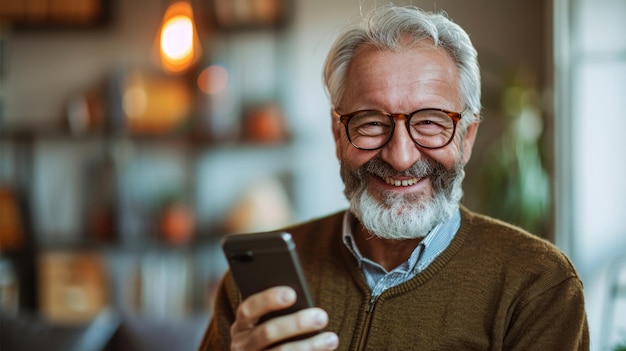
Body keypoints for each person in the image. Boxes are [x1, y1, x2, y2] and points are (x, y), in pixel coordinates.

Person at [198, 4, 589, 350]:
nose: (401, 157)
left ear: (467, 138)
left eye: (431, 122)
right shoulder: (256, 288)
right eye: (370, 123)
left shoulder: (539, 285)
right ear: (338, 136)